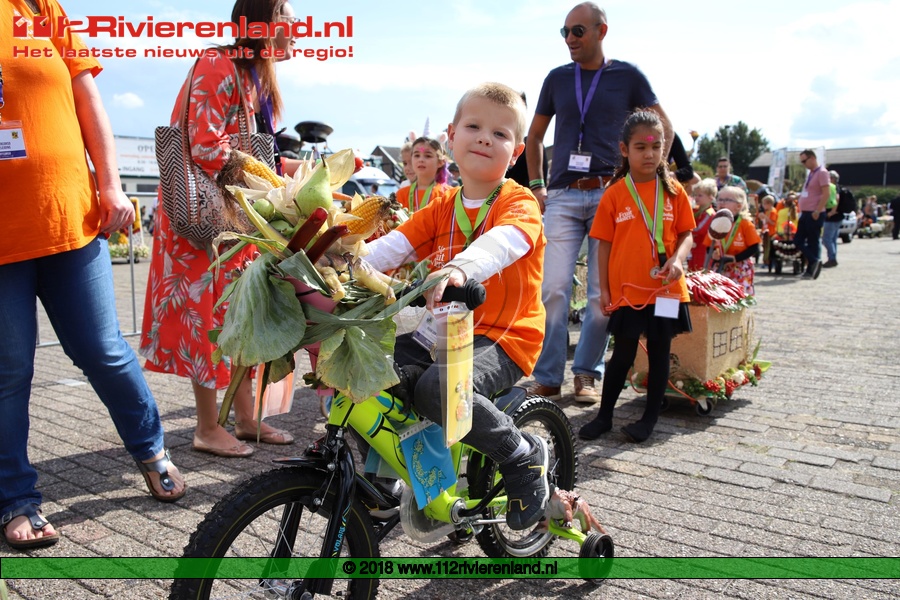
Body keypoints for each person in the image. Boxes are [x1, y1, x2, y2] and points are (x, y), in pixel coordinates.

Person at [0, 0, 185, 550]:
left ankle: (151, 450)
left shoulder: (37, 7)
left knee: (104, 350)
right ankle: (15, 498)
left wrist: (110, 185)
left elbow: (86, 97)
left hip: (68, 217)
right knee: (9, 371)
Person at [365, 82, 549, 531]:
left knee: (438, 389)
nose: (485, 138)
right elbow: (391, 246)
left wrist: (460, 269)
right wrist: (331, 264)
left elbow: (505, 241)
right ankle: (392, 475)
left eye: (500, 134)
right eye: (474, 127)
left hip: (504, 335)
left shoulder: (517, 201)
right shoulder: (442, 206)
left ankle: (521, 455)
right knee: (371, 371)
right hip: (443, 329)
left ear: (517, 151)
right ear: (451, 135)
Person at [141, 0, 301, 458]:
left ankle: (246, 419)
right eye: (289, 19)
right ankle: (207, 427)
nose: (297, 29)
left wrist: (279, 176)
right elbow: (206, 146)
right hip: (205, 221)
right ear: (263, 22)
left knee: (239, 314)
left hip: (232, 218)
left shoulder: (251, 76)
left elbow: (240, 147)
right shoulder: (219, 63)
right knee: (208, 320)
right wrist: (270, 183)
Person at [524, 2, 673, 403]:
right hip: (562, 195)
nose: (569, 39)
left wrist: (649, 177)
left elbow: (664, 126)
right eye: (564, 32)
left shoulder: (628, 76)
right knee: (553, 288)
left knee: (599, 292)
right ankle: (548, 376)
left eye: (578, 31)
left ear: (601, 31)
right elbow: (533, 137)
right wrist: (536, 185)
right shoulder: (557, 78)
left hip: (611, 193)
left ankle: (587, 374)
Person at [579, 110, 694, 444]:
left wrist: (678, 260)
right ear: (625, 149)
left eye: (656, 147)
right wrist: (604, 290)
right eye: (641, 147)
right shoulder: (615, 194)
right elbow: (603, 245)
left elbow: (686, 234)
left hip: (665, 290)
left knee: (659, 352)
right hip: (628, 291)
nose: (649, 154)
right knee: (623, 353)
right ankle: (604, 416)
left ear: (664, 149)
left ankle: (649, 420)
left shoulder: (674, 190)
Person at [704, 186, 760, 295]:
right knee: (719, 295)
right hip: (720, 266)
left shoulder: (745, 223)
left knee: (739, 295)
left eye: (727, 200)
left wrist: (735, 258)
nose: (722, 202)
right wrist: (714, 254)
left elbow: (754, 247)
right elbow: (709, 245)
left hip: (740, 267)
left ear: (738, 206)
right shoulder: (715, 223)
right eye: (719, 199)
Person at [794, 149, 829, 280]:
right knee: (799, 240)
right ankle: (814, 261)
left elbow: (826, 193)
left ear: (812, 158)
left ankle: (812, 268)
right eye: (802, 162)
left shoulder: (822, 172)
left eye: (804, 161)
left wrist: (818, 210)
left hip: (814, 213)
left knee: (812, 241)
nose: (803, 164)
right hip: (806, 212)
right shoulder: (812, 173)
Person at [395, 136, 450, 214]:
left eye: (428, 156)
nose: (421, 160)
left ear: (441, 162)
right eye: (417, 155)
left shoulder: (448, 194)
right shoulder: (401, 194)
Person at [687, 178, 718, 272]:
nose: (696, 198)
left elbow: (698, 229)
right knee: (691, 272)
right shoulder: (696, 210)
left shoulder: (710, 213)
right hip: (694, 249)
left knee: (700, 273)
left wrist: (685, 229)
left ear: (711, 197)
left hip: (703, 250)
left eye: (700, 195)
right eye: (695, 195)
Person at [821, 170, 842, 268]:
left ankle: (832, 258)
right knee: (832, 239)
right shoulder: (838, 187)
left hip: (832, 217)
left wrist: (832, 212)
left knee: (826, 239)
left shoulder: (832, 187)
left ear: (832, 178)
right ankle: (832, 258)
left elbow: (837, 199)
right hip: (838, 217)